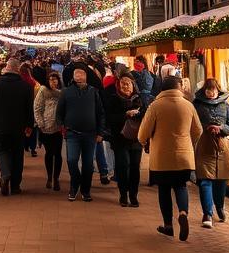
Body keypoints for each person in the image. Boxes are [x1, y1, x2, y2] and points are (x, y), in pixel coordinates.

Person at [138, 74, 202, 240]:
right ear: (179, 88)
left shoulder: (155, 106)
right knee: (181, 186)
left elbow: (142, 133)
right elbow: (198, 131)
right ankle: (183, 212)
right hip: (184, 156)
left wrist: (145, 141)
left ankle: (168, 225)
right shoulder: (188, 106)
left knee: (164, 190)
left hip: (161, 157)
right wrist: (188, 142)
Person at [56, 66, 106, 202]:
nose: (79, 76)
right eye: (76, 74)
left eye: (81, 74)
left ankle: (85, 190)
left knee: (88, 164)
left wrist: (100, 132)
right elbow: (59, 112)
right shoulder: (66, 92)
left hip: (90, 134)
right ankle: (74, 183)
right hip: (72, 133)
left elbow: (101, 113)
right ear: (73, 77)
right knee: (71, 160)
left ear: (86, 77)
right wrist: (62, 126)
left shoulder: (93, 91)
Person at [192, 77, 229, 228]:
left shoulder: (225, 104)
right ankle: (207, 213)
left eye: (213, 89)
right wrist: (206, 127)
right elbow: (193, 123)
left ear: (218, 90)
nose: (211, 92)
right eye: (208, 89)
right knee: (205, 180)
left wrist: (222, 129)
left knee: (221, 180)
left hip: (222, 146)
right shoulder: (197, 104)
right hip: (204, 144)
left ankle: (220, 207)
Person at [0, 58, 34, 196]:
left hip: (1, 126)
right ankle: (15, 186)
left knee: (2, 151)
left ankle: (6, 174)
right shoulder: (25, 86)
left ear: (7, 68)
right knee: (17, 155)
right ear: (18, 70)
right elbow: (29, 109)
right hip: (19, 127)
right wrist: (29, 125)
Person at [105, 73, 144, 207]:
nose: (126, 86)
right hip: (120, 138)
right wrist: (125, 115)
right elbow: (109, 118)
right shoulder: (114, 99)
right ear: (119, 85)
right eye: (123, 83)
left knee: (134, 167)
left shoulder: (139, 99)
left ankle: (133, 195)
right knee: (122, 166)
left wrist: (138, 114)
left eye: (128, 83)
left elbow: (146, 117)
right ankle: (123, 194)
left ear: (133, 85)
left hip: (136, 139)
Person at [33, 70, 64, 190]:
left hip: (58, 128)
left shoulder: (62, 93)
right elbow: (37, 107)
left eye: (55, 79)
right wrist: (40, 123)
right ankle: (49, 177)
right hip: (46, 127)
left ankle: (56, 178)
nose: (53, 81)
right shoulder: (43, 91)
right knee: (49, 153)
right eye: (51, 79)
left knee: (58, 154)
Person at [20, 63, 40, 157]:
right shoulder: (35, 83)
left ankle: (25, 145)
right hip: (33, 108)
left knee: (22, 128)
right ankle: (33, 148)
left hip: (21, 110)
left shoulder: (18, 82)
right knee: (33, 128)